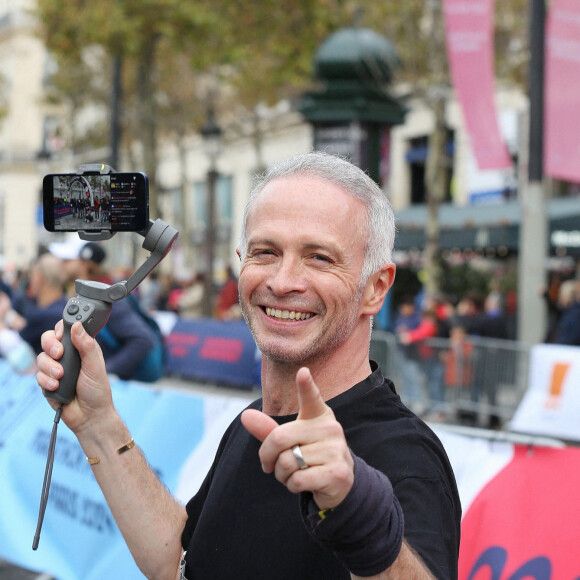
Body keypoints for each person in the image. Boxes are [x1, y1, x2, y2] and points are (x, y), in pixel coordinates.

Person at [36, 152, 461, 579]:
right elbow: (180, 564)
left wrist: (358, 511)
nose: (281, 280)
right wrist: (97, 422)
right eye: (265, 252)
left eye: (319, 258)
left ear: (376, 288)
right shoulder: (251, 423)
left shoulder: (406, 458)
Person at [48, 239, 160, 381]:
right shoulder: (86, 295)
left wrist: (103, 372)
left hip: (118, 391)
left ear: (84, 264)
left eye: (66, 260)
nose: (60, 264)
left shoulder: (106, 299)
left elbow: (143, 340)